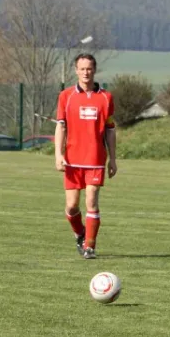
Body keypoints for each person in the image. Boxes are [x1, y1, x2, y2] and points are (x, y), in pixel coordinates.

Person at [54, 53, 117, 259]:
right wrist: (58, 154)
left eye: (89, 68)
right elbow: (61, 127)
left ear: (94, 70)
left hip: (96, 159)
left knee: (91, 201)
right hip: (72, 159)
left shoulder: (106, 97)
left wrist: (113, 159)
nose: (85, 72)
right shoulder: (66, 96)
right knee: (72, 206)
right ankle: (80, 233)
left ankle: (90, 246)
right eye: (82, 69)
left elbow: (110, 129)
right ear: (76, 71)